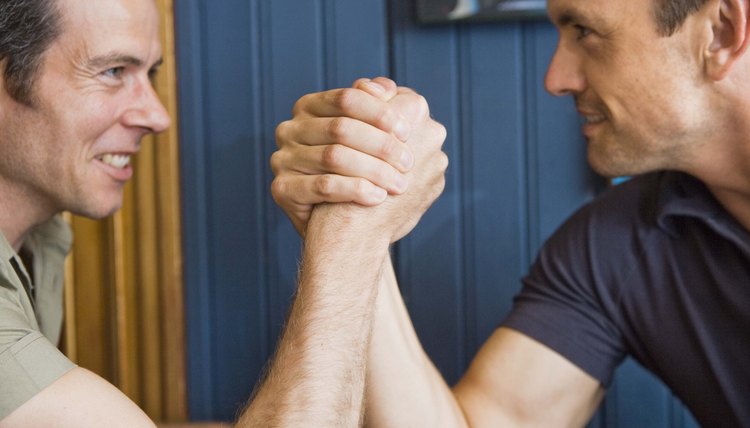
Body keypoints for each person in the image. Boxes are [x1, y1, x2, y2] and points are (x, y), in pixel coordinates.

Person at [268, 0, 750, 426]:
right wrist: (357, 215)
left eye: (584, 31)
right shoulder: (619, 247)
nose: (555, 79)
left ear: (721, 32)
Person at [2, 1, 443, 427]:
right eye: (113, 71)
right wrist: (353, 225)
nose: (157, 116)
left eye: (149, 73)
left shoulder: (41, 238)